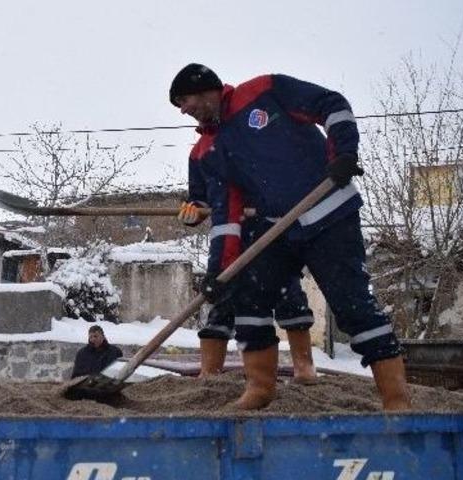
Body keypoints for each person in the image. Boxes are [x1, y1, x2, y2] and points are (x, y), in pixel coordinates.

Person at [169, 63, 409, 410]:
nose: (183, 110)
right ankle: (260, 389)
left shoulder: (266, 91)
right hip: (274, 229)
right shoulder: (210, 149)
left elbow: (331, 103)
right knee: (249, 298)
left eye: (185, 99)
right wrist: (219, 273)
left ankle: (396, 399)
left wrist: (344, 152)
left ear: (207, 89)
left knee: (353, 306)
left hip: (329, 214)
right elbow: (226, 216)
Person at [179, 168, 317, 382]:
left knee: (289, 297)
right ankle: (209, 373)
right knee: (222, 301)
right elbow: (201, 197)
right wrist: (194, 210)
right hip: (228, 241)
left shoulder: (263, 139)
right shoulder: (202, 151)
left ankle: (304, 367)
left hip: (273, 233)